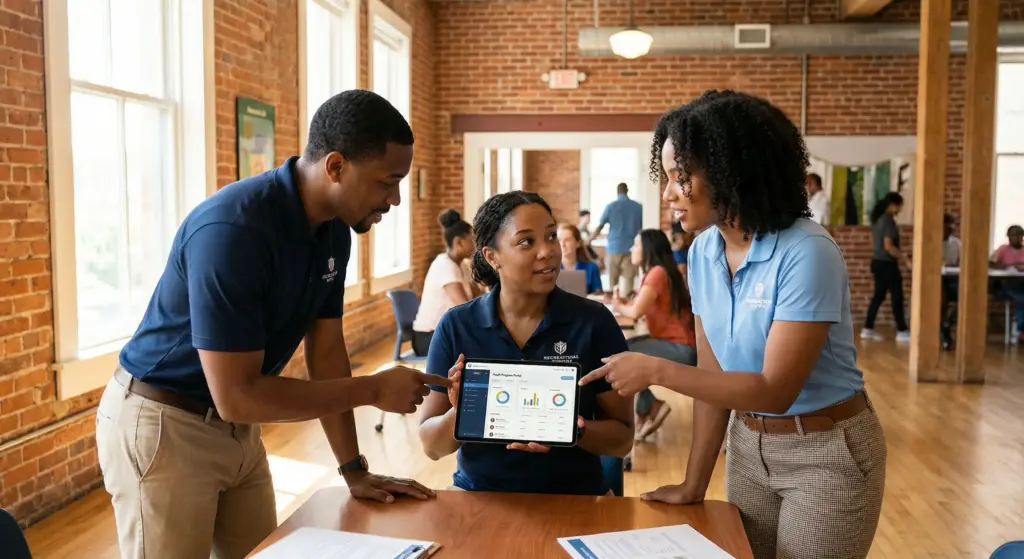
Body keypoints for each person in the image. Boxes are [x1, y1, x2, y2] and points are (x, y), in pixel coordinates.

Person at [96, 90, 450, 559]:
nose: (397, 199)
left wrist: (353, 468)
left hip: (239, 429)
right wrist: (370, 390)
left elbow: (326, 353)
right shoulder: (233, 230)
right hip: (167, 423)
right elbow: (237, 395)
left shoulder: (334, 231)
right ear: (337, 166)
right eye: (388, 182)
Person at [581, 90, 886, 559]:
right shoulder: (703, 252)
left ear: (732, 172)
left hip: (826, 455)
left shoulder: (807, 252)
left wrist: (656, 370)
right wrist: (692, 484)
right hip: (746, 449)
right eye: (666, 177)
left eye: (681, 177)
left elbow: (774, 390)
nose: (668, 193)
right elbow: (712, 378)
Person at [417, 191, 633, 495]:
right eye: (526, 241)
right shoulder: (457, 326)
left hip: (576, 496)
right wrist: (464, 410)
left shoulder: (594, 322)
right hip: (479, 494)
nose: (547, 251)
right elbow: (432, 446)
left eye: (551, 236)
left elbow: (623, 439)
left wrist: (568, 428)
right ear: (492, 256)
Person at [611, 229, 696, 440]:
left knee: (621, 353)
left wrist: (616, 306)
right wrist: (624, 305)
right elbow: (641, 306)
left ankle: (649, 407)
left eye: (636, 244)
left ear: (648, 248)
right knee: (623, 349)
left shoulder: (656, 273)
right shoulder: (658, 272)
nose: (632, 248)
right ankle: (649, 406)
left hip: (680, 348)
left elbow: (636, 312)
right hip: (673, 343)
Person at [411, 209, 477, 355]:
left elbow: (477, 300)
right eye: (472, 240)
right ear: (458, 242)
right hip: (428, 338)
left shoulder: (461, 264)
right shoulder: (445, 266)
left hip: (445, 333)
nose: (476, 245)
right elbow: (465, 308)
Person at [862, 192, 910, 343]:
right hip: (886, 264)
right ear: (893, 205)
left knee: (879, 295)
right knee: (897, 296)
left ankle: (868, 329)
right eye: (900, 206)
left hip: (877, 262)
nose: (900, 210)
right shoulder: (888, 221)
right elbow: (889, 246)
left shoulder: (879, 219)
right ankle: (902, 330)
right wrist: (904, 258)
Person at [593, 183, 643, 296]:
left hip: (614, 248)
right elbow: (641, 228)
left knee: (612, 284)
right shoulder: (638, 207)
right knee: (629, 283)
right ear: (627, 191)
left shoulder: (611, 206)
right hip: (631, 248)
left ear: (617, 191)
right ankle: (627, 306)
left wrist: (590, 239)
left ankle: (613, 306)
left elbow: (600, 225)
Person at [991, 224, 1024, 343]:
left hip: (1021, 282)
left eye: (1016, 236)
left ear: (1021, 237)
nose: (1012, 239)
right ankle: (1019, 328)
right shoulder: (1003, 249)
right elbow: (992, 264)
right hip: (1006, 284)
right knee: (1021, 298)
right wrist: (1007, 265)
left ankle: (1018, 326)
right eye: (1010, 236)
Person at [558, 223, 603, 294]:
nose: (562, 244)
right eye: (559, 240)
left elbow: (598, 296)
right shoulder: (550, 269)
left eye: (567, 240)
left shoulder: (592, 268)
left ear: (577, 243)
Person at [940, 213, 961, 349]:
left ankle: (948, 322)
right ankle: (943, 328)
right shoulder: (931, 241)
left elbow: (961, 262)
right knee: (941, 296)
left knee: (967, 296)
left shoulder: (957, 243)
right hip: (937, 279)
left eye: (950, 225)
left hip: (953, 277)